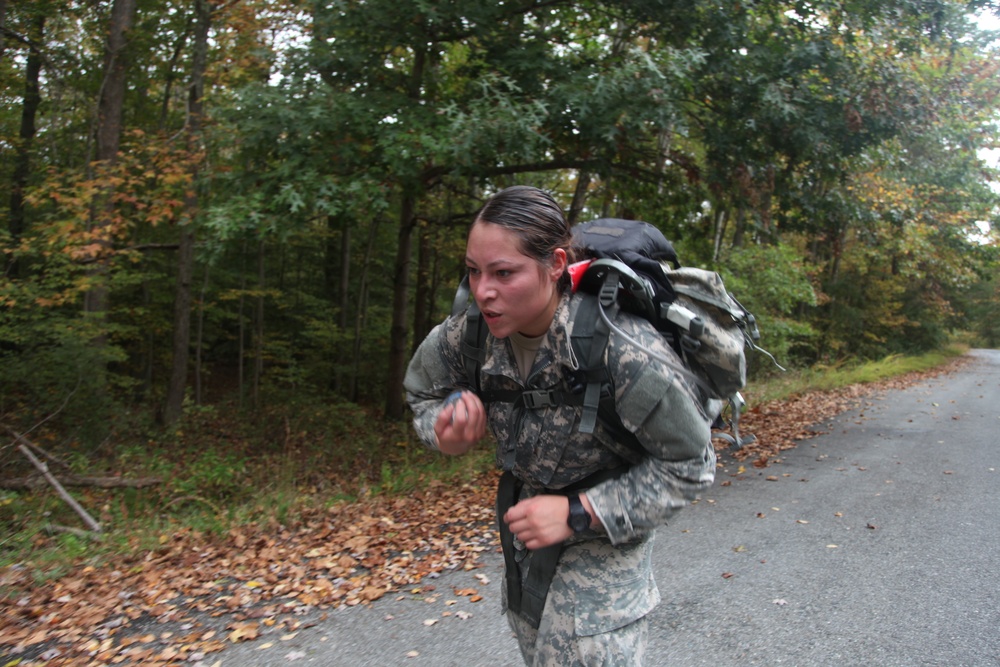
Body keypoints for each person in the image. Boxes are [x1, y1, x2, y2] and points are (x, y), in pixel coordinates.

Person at [404, 185, 716, 666]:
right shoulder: (468, 335)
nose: (483, 290)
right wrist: (442, 429)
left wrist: (579, 512)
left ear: (554, 264)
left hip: (605, 546)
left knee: (582, 651)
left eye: (504, 273)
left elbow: (691, 465)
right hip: (525, 537)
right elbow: (422, 394)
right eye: (473, 270)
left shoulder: (622, 351)